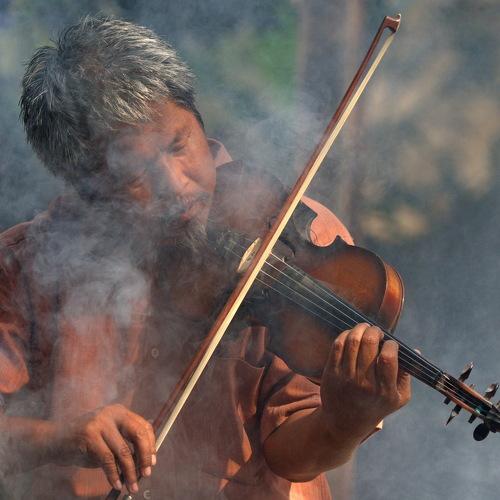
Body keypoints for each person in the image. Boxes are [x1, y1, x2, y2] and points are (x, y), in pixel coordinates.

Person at [0, 16, 411, 499]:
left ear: (197, 117)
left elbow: (292, 452)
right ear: (84, 186)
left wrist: (343, 422)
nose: (175, 185)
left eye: (179, 145)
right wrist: (56, 438)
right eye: (134, 174)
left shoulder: (296, 240)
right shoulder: (26, 265)